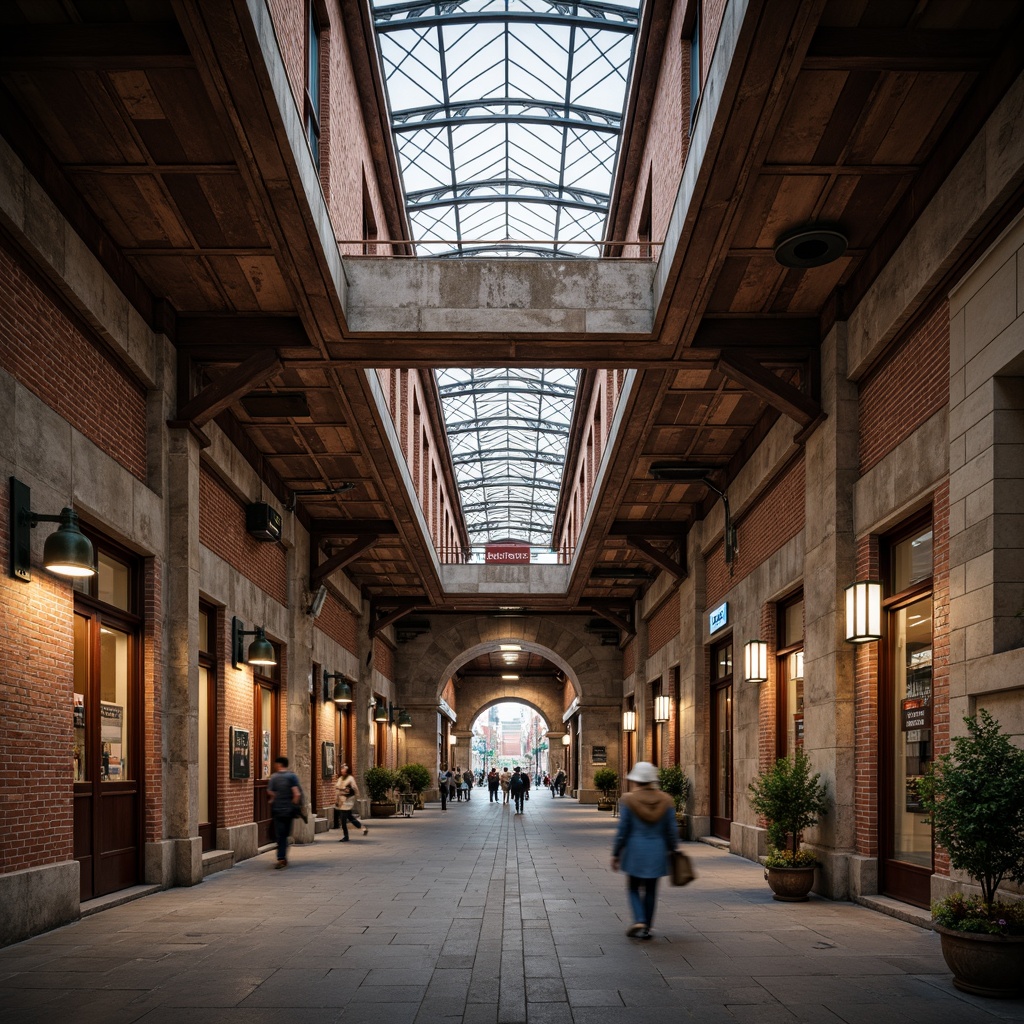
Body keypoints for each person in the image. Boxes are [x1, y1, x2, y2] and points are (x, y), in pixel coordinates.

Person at [611, 761, 679, 939]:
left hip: (634, 851)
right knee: (651, 890)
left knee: (633, 887)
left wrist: (616, 852)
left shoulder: (628, 800)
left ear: (636, 780)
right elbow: (672, 830)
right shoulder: (666, 800)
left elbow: (623, 829)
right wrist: (673, 849)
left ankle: (639, 918)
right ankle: (647, 926)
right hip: (657, 851)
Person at [268, 755, 301, 868]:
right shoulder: (292, 776)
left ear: (278, 765)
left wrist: (275, 798)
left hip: (277, 810)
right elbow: (297, 793)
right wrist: (293, 804)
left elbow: (271, 793)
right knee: (285, 834)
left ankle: (281, 858)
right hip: (288, 811)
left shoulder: (274, 777)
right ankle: (282, 855)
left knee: (280, 835)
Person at [334, 763, 369, 841]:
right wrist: (336, 800)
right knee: (350, 817)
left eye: (344, 769)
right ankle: (363, 828)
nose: (342, 770)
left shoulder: (350, 778)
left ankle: (346, 836)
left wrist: (357, 797)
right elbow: (337, 790)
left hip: (348, 800)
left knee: (343, 820)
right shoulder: (340, 778)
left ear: (347, 770)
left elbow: (355, 788)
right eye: (342, 768)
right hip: (341, 801)